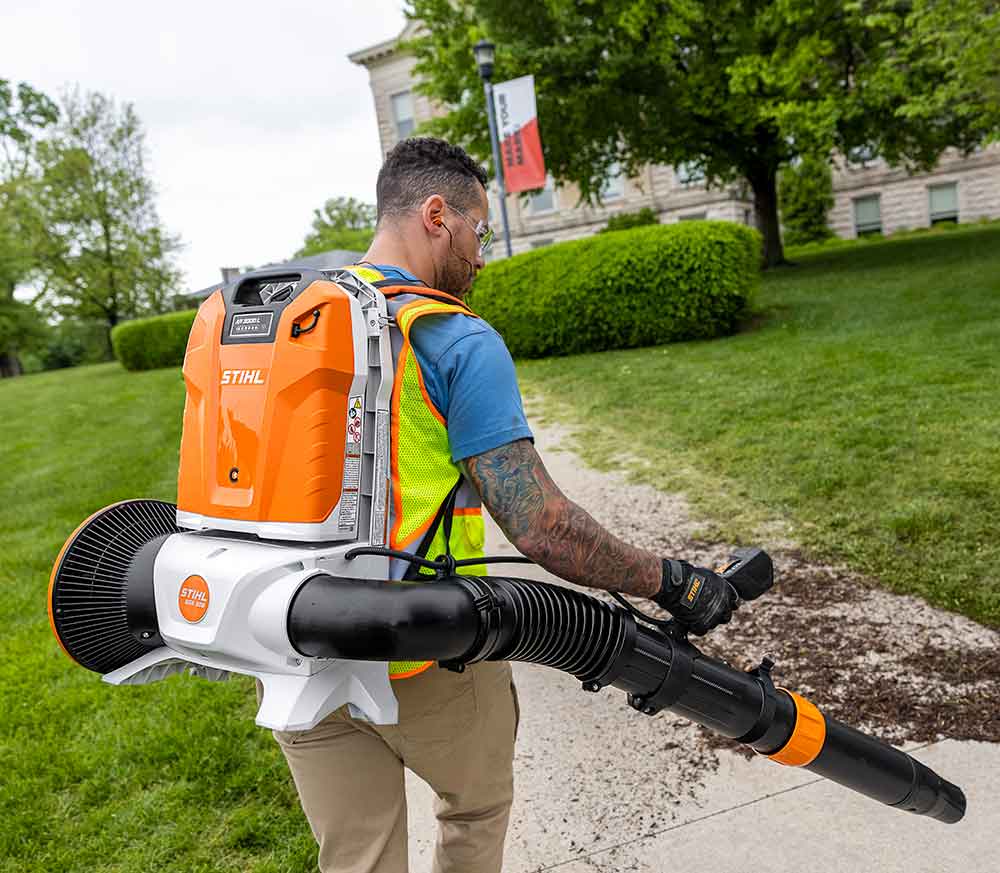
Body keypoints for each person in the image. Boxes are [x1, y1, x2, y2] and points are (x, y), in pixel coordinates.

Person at [271, 137, 738, 873]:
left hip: (289, 647)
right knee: (476, 810)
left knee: (357, 858)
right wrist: (673, 581)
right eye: (479, 230)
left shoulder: (289, 326)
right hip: (422, 652)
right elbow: (544, 527)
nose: (482, 255)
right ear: (436, 215)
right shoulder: (450, 335)